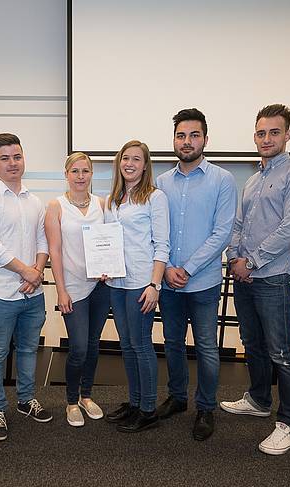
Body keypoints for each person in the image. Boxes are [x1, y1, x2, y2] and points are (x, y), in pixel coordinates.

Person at [219, 104, 290, 455]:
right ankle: (259, 400)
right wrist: (233, 258)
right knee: (253, 343)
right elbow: (238, 226)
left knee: (281, 350)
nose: (266, 138)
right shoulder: (254, 180)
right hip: (245, 274)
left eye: (274, 132)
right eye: (261, 133)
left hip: (273, 277)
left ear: (287, 135)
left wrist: (253, 261)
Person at [155, 108, 237, 441]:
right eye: (181, 135)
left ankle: (205, 407)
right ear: (174, 139)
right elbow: (156, 231)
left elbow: (222, 233)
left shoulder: (223, 180)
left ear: (205, 138)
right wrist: (167, 271)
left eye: (193, 135)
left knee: (206, 347)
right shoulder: (160, 182)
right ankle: (177, 398)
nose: (186, 141)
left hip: (202, 283)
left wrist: (186, 269)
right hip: (169, 283)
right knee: (172, 343)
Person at [0, 133, 53, 441]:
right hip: (0, 294)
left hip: (32, 294)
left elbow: (43, 240)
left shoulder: (34, 200)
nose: (12, 163)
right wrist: (28, 272)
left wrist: (37, 271)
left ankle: (25, 400)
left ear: (23, 159)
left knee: (29, 350)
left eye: (16, 156)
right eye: (4, 158)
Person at [103, 140, 170, 433]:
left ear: (145, 165)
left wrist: (155, 284)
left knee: (141, 345)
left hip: (141, 283)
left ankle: (148, 409)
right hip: (116, 282)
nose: (130, 163)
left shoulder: (155, 198)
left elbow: (162, 245)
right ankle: (134, 402)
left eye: (136, 159)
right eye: (125, 158)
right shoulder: (113, 199)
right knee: (127, 346)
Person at [45, 152, 110, 427]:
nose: (80, 176)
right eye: (75, 171)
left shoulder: (103, 204)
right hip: (71, 287)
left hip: (100, 286)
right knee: (79, 348)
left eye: (85, 171)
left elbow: (111, 241)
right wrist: (61, 291)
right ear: (66, 174)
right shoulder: (55, 206)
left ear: (92, 174)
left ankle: (87, 396)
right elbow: (55, 251)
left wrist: (109, 266)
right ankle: (71, 401)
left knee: (93, 345)